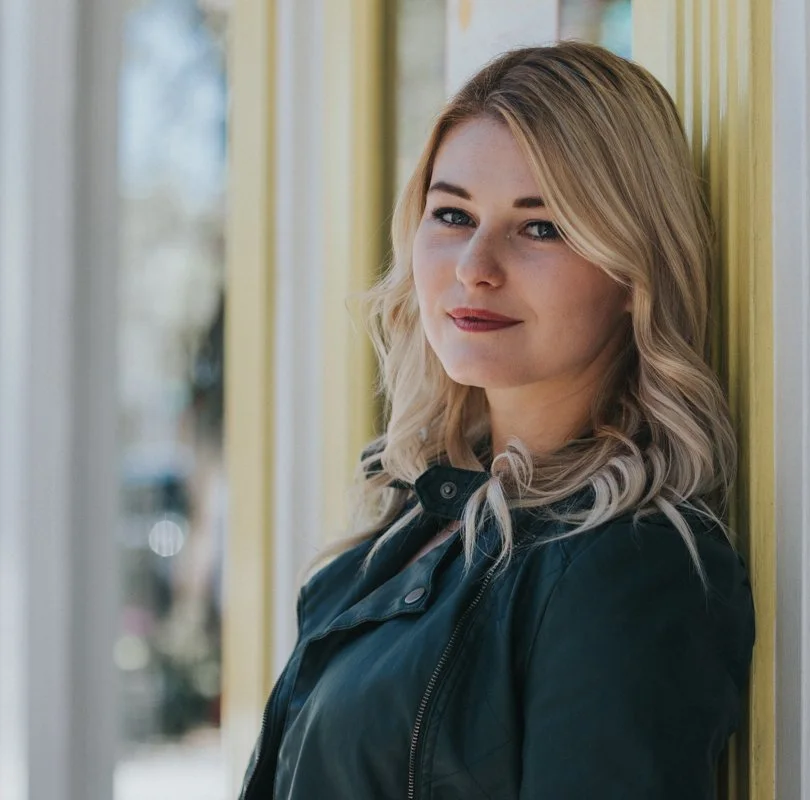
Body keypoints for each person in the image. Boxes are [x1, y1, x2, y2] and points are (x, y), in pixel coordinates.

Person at [239, 41, 755, 800]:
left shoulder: (629, 570)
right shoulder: (410, 531)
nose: (474, 265)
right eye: (452, 213)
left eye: (540, 226)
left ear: (633, 270)